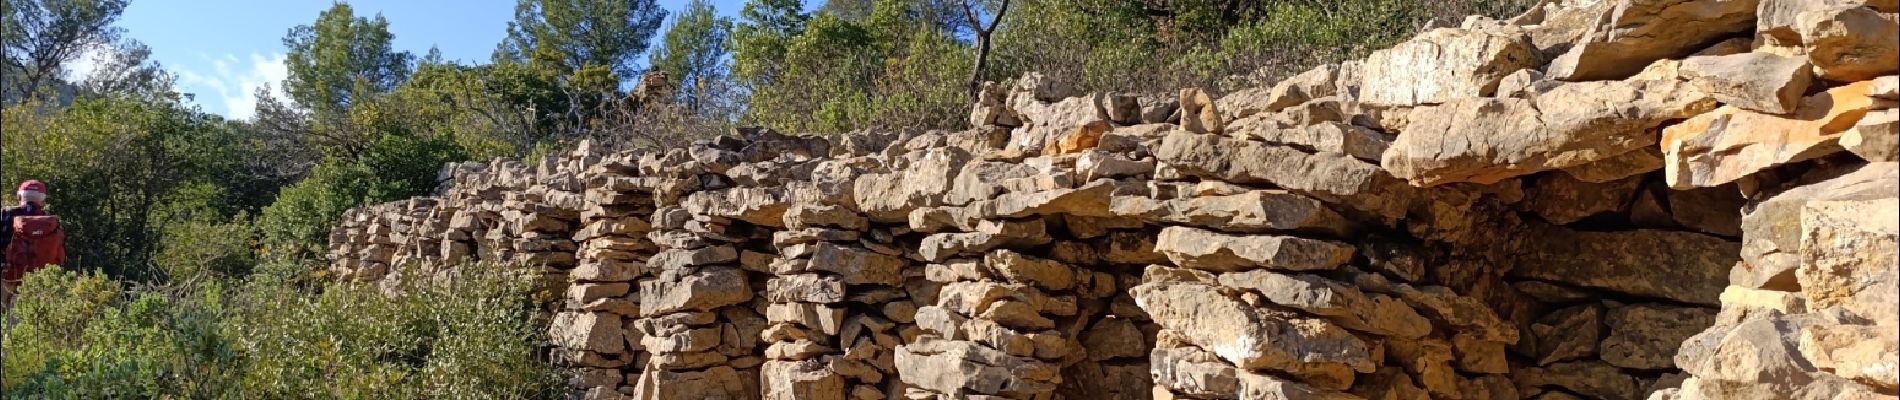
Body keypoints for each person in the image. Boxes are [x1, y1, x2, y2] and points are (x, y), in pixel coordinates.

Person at [2, 180, 63, 308]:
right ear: (42, 200)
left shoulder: (6, 214)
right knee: (21, 322)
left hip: (7, 276)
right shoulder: (51, 222)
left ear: (19, 196)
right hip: (38, 281)